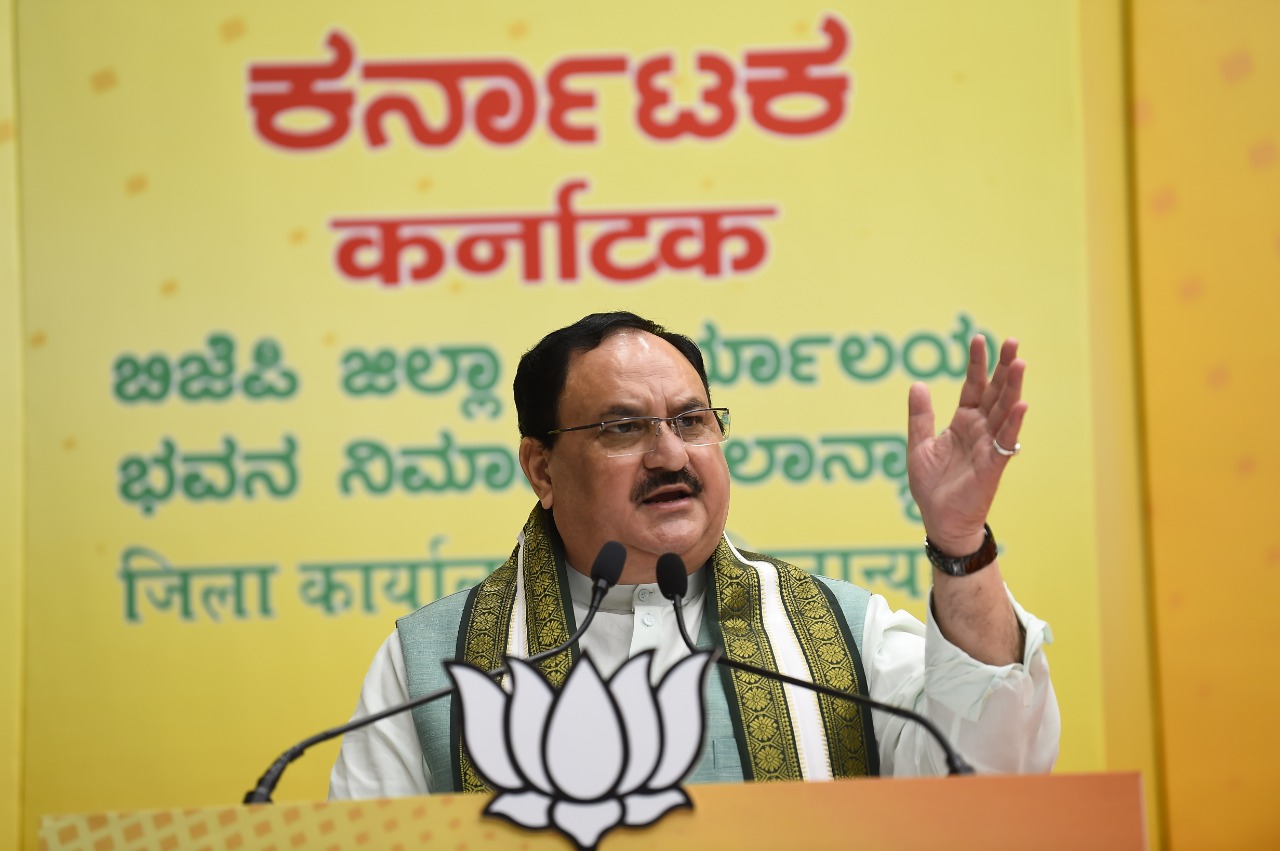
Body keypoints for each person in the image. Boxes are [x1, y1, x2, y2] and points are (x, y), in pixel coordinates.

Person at [328, 311, 1058, 797]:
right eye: (623, 428)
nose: (670, 453)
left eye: (691, 420)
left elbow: (999, 774)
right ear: (543, 469)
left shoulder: (838, 635)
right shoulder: (430, 663)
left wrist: (960, 542)